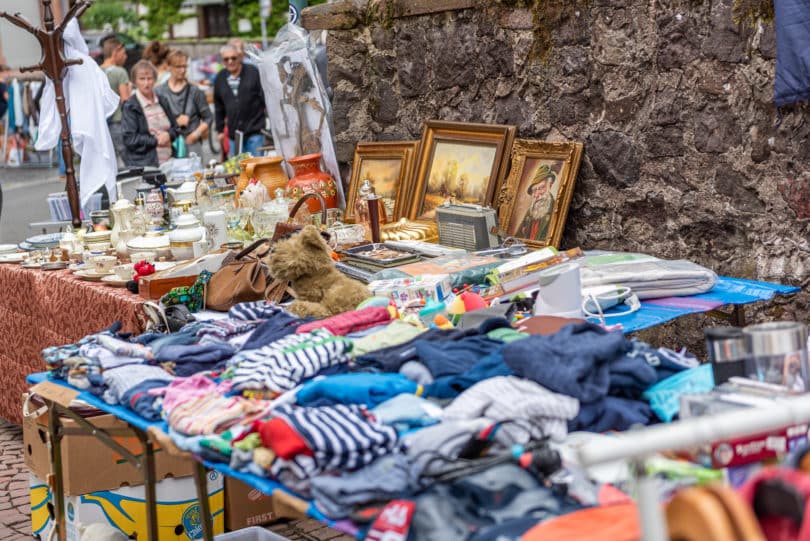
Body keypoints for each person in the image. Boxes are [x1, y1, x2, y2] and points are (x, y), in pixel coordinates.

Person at [156, 50, 213, 159]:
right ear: (168, 67)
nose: (182, 70)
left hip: (191, 144)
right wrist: (176, 122)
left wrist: (196, 134)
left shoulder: (194, 91)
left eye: (184, 67)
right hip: (169, 145)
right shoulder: (160, 91)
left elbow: (208, 117)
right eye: (178, 67)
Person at [121, 60, 178, 167]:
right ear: (134, 81)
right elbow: (130, 139)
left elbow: (176, 128)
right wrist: (156, 140)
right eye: (142, 79)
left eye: (149, 78)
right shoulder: (131, 106)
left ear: (155, 79)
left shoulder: (162, 100)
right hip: (145, 165)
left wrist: (168, 135)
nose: (146, 83)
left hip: (169, 162)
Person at [213, 44, 267, 157]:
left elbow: (264, 98)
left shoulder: (253, 72)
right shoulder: (220, 78)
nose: (230, 61)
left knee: (257, 169)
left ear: (240, 57)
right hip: (234, 135)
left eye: (233, 58)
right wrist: (220, 131)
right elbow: (219, 108)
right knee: (238, 171)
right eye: (226, 59)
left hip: (255, 131)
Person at [100, 37, 131, 164]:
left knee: (108, 161)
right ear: (115, 52)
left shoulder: (96, 71)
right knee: (126, 158)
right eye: (123, 53)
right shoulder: (120, 72)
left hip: (101, 123)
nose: (126, 57)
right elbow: (125, 99)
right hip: (118, 121)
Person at [516, 164, 557, 241]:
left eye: (541, 188)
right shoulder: (531, 211)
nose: (537, 194)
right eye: (534, 190)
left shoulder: (555, 209)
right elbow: (517, 237)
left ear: (550, 186)